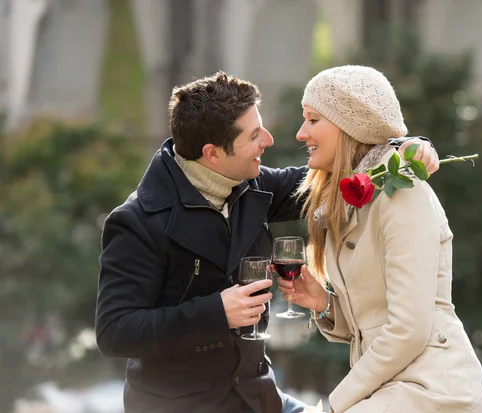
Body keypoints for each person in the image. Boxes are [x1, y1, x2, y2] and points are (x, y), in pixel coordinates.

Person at [95, 71, 439, 413]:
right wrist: (216, 312)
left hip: (258, 398)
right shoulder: (137, 221)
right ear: (213, 153)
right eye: (255, 134)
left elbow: (339, 168)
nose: (270, 140)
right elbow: (114, 332)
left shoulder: (253, 185)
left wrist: (403, 147)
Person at [278, 65, 482, 413]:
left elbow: (408, 329)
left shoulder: (402, 193)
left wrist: (335, 405)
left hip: (433, 390)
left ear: (351, 125)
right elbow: (375, 322)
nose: (301, 133)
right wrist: (326, 305)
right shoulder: (347, 203)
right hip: (391, 388)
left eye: (313, 119)